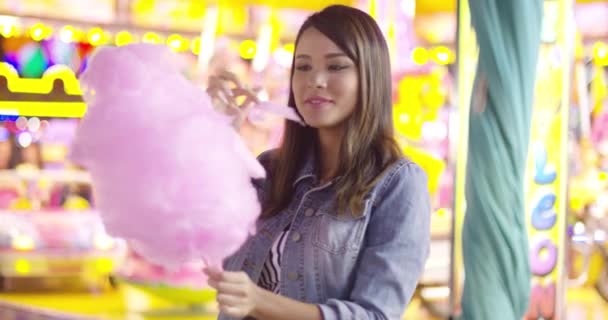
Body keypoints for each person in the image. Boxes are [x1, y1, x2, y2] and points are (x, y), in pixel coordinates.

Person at [204, 5, 430, 320]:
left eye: (336, 67)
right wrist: (215, 134)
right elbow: (203, 236)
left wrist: (259, 301)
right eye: (303, 67)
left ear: (370, 76)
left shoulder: (398, 184)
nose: (315, 81)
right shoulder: (269, 170)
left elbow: (376, 315)